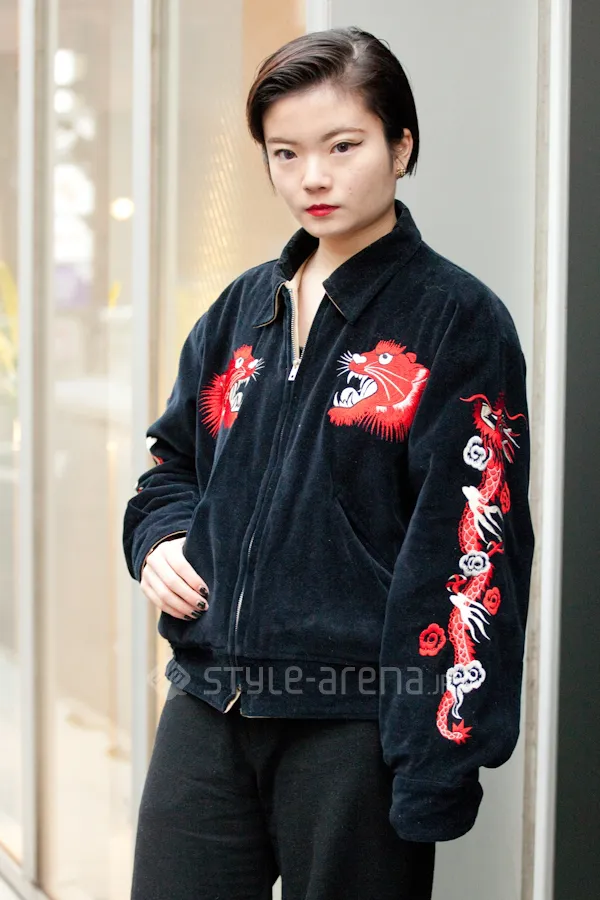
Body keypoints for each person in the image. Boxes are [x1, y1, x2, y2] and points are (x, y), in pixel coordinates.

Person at [123, 25, 535, 900]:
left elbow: (472, 548)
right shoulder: (243, 309)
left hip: (355, 725)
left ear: (401, 146)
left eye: (342, 146)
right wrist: (160, 539)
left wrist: (436, 760)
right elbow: (172, 465)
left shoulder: (456, 321)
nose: (312, 176)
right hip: (209, 702)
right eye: (286, 153)